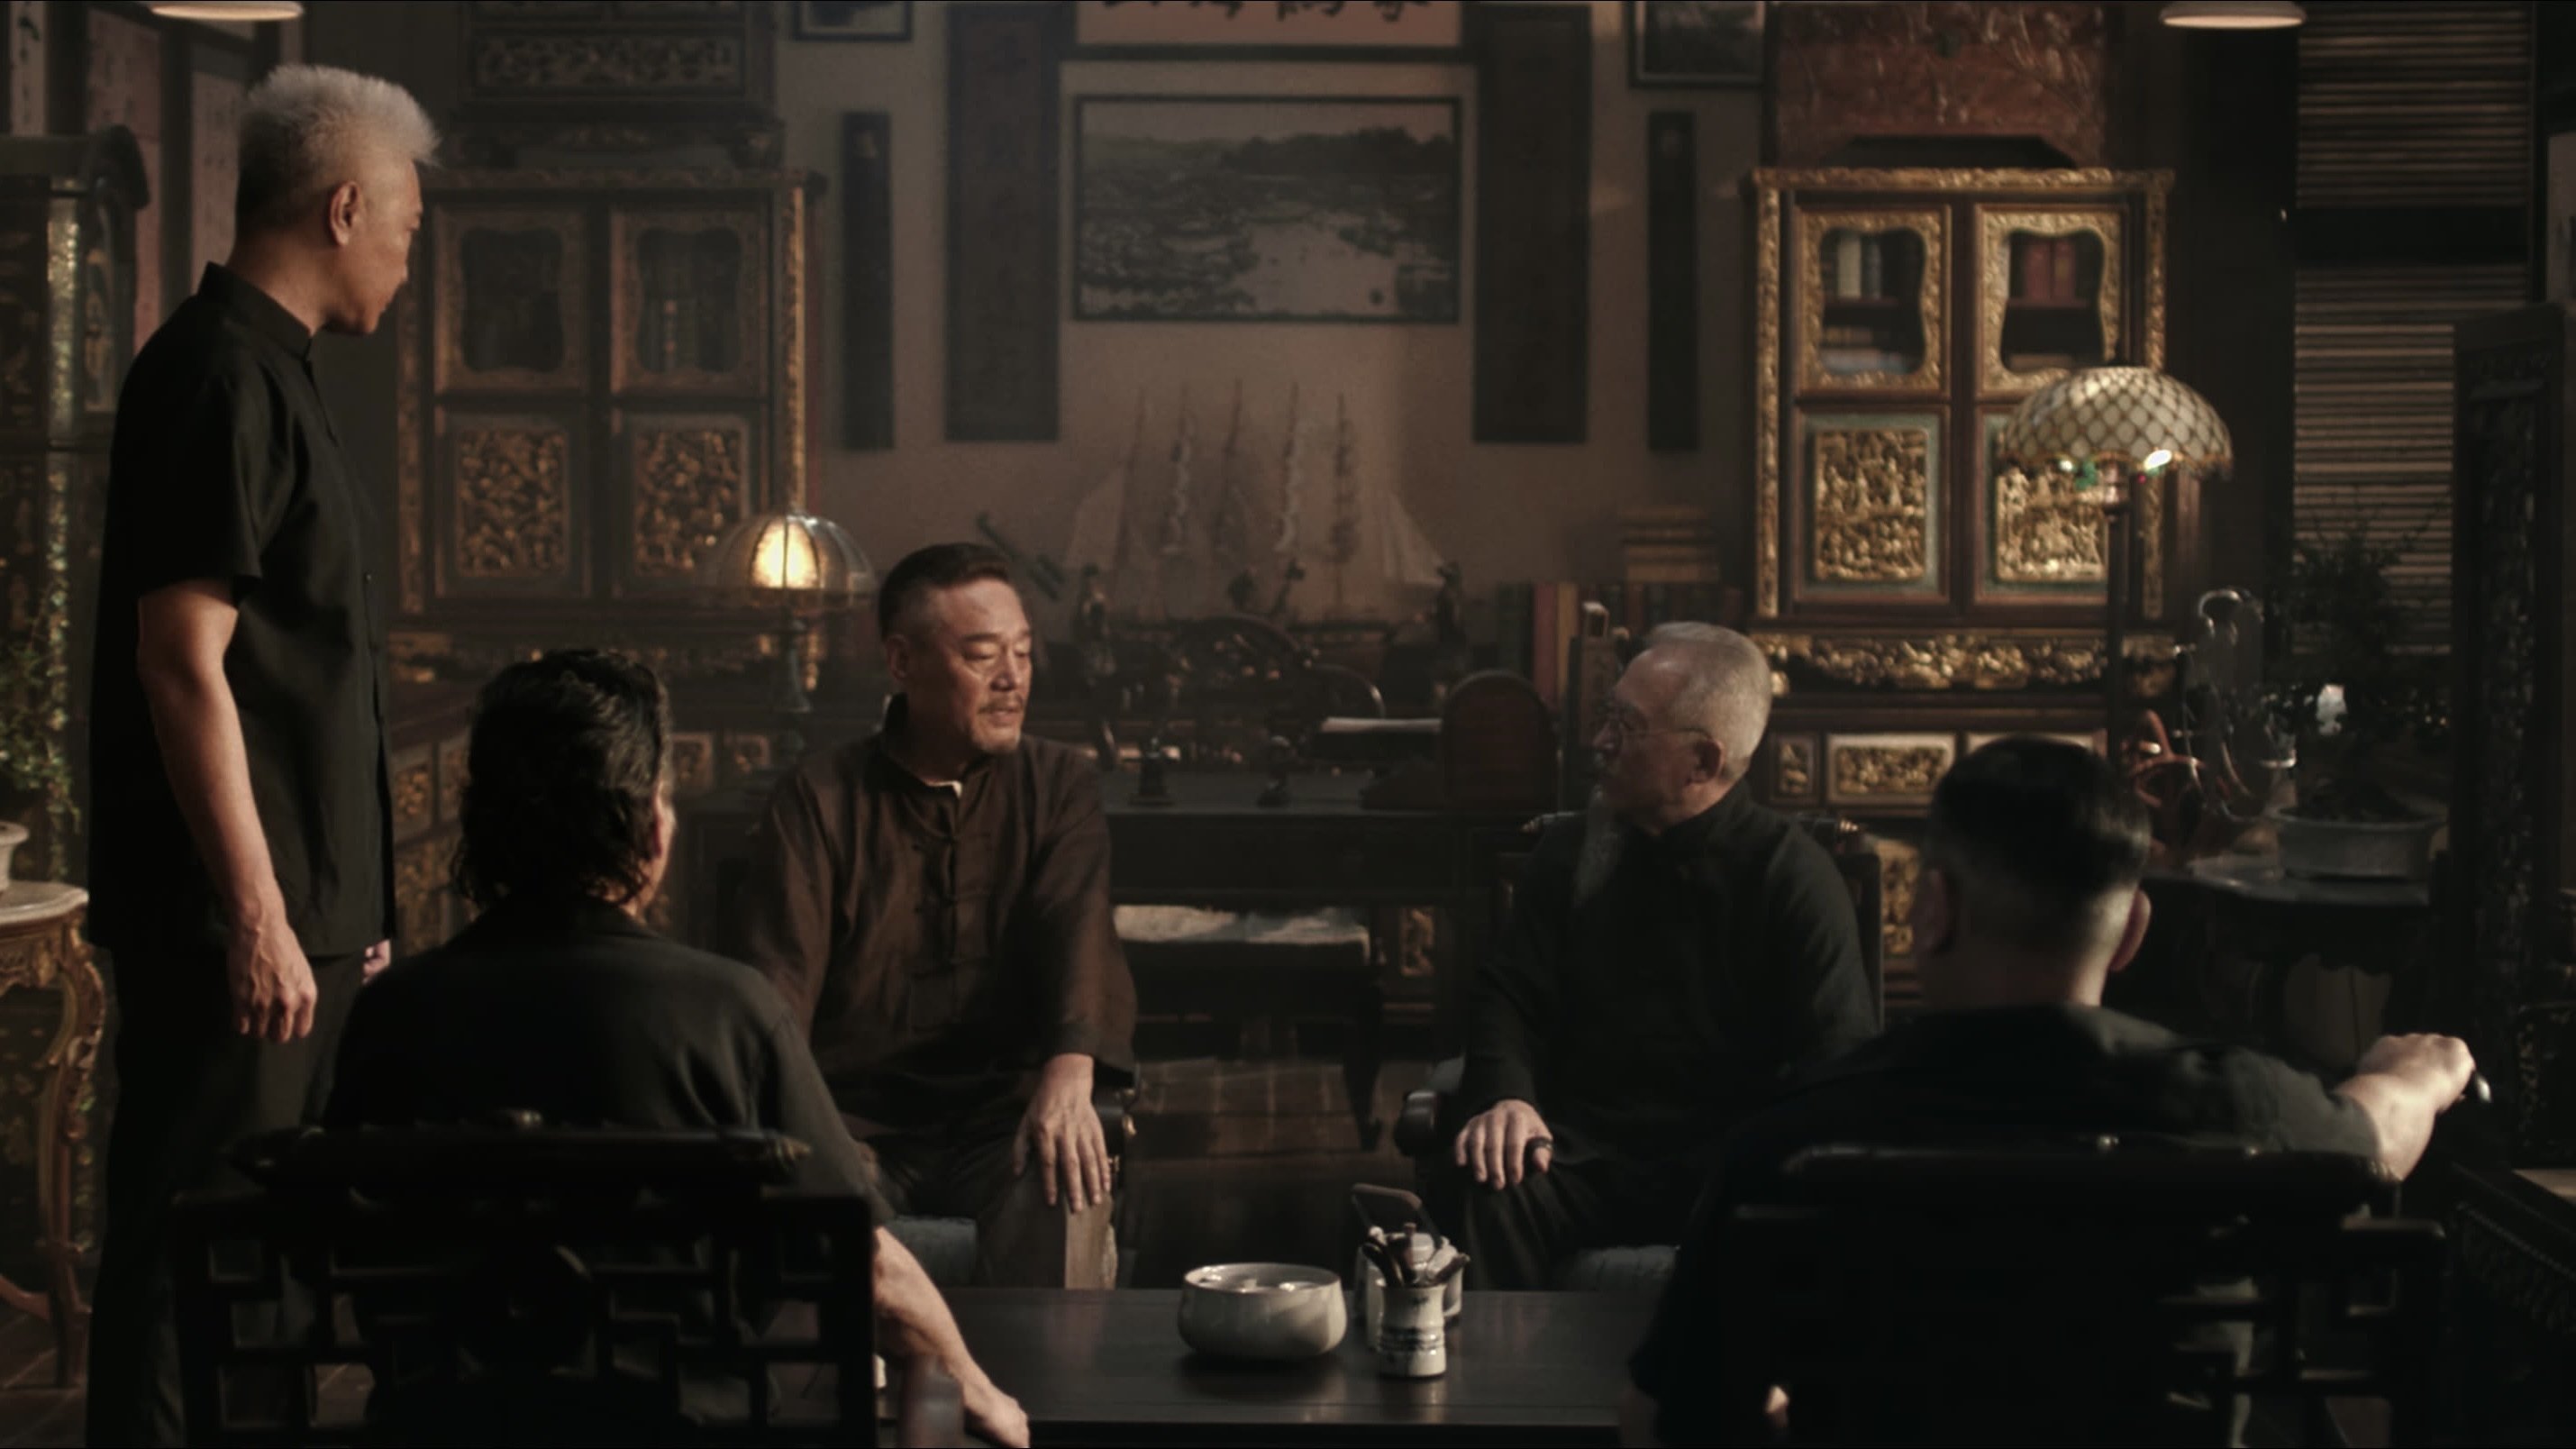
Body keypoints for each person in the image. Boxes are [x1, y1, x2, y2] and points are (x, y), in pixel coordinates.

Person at [1621, 737, 2480, 1446]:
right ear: (2132, 929)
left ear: (1931, 910)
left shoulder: (1795, 1139)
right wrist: (2418, 1072)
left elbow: (1670, 1418)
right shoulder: (2241, 1109)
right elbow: (2377, 1142)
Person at [325, 651, 1027, 1447]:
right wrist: (980, 1393)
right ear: (651, 829)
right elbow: (861, 1262)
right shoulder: (725, 1013)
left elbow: (350, 1246)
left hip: (442, 1429)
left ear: (480, 827)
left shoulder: (392, 1013)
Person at [82, 65, 433, 1447]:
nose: (408, 251)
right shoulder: (219, 374)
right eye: (405, 221)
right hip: (235, 921)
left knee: (263, 1261)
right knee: (195, 1247)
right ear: (344, 207)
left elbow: (298, 680)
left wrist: (351, 913)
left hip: (302, 914)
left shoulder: (274, 368)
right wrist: (261, 914)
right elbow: (181, 661)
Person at [732, 542, 1138, 1288]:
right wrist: (811, 1137)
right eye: (982, 656)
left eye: (1023, 652)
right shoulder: (820, 798)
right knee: (800, 1196)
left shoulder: (1057, 784)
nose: (1012, 678)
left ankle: (1049, 1372)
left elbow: (1075, 929)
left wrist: (1069, 1070)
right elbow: (776, 987)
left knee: (1069, 1180)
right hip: (856, 1126)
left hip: (1006, 1120)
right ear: (901, 662)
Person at [1446, 623, 1878, 1290]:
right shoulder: (1573, 851)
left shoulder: (1791, 878)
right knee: (1491, 1190)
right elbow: (1509, 994)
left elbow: (1834, 1067)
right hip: (1575, 1153)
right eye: (1606, 716)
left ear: (1702, 761)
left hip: (1725, 1168)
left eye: (1625, 726)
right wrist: (1507, 1099)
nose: (1600, 741)